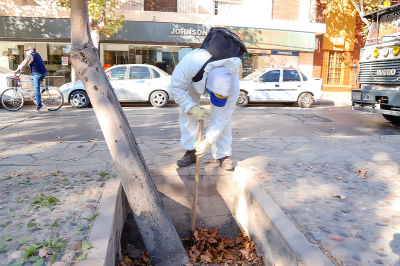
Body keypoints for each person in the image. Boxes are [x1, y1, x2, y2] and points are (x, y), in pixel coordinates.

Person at [169, 28, 246, 170]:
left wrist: (208, 140)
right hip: (192, 82)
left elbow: (222, 116)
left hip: (212, 83)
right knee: (187, 114)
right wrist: (190, 107)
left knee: (223, 118)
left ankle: (222, 154)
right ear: (208, 87)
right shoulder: (193, 61)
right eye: (214, 95)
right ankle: (190, 151)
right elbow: (176, 87)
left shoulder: (232, 84)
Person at [16, 46, 47, 112]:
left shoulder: (31, 55)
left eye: (27, 50)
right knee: (31, 78)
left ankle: (39, 104)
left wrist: (17, 70)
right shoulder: (37, 54)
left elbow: (24, 63)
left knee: (36, 89)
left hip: (37, 74)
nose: (26, 52)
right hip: (42, 73)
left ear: (31, 51)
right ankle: (37, 94)